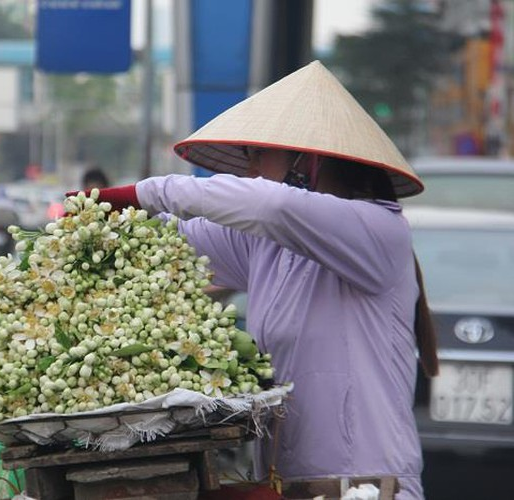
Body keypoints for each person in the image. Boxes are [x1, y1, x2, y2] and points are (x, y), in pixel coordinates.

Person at [76, 61, 437, 499]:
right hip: (289, 486)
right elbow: (170, 246)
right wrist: (100, 230)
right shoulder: (266, 245)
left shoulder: (380, 232)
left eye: (258, 156)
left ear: (309, 162)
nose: (247, 171)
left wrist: (143, 193)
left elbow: (271, 206)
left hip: (369, 488)